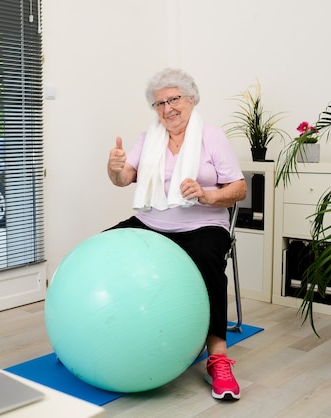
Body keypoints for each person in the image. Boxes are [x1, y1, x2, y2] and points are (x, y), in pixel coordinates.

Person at [106, 68, 247, 401]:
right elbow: (125, 178)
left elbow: (239, 188)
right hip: (153, 222)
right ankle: (109, 333)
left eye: (174, 99)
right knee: (105, 247)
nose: (167, 108)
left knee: (207, 262)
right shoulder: (148, 139)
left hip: (202, 223)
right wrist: (114, 167)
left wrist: (207, 195)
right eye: (159, 103)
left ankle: (218, 357)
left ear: (191, 99)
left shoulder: (211, 136)